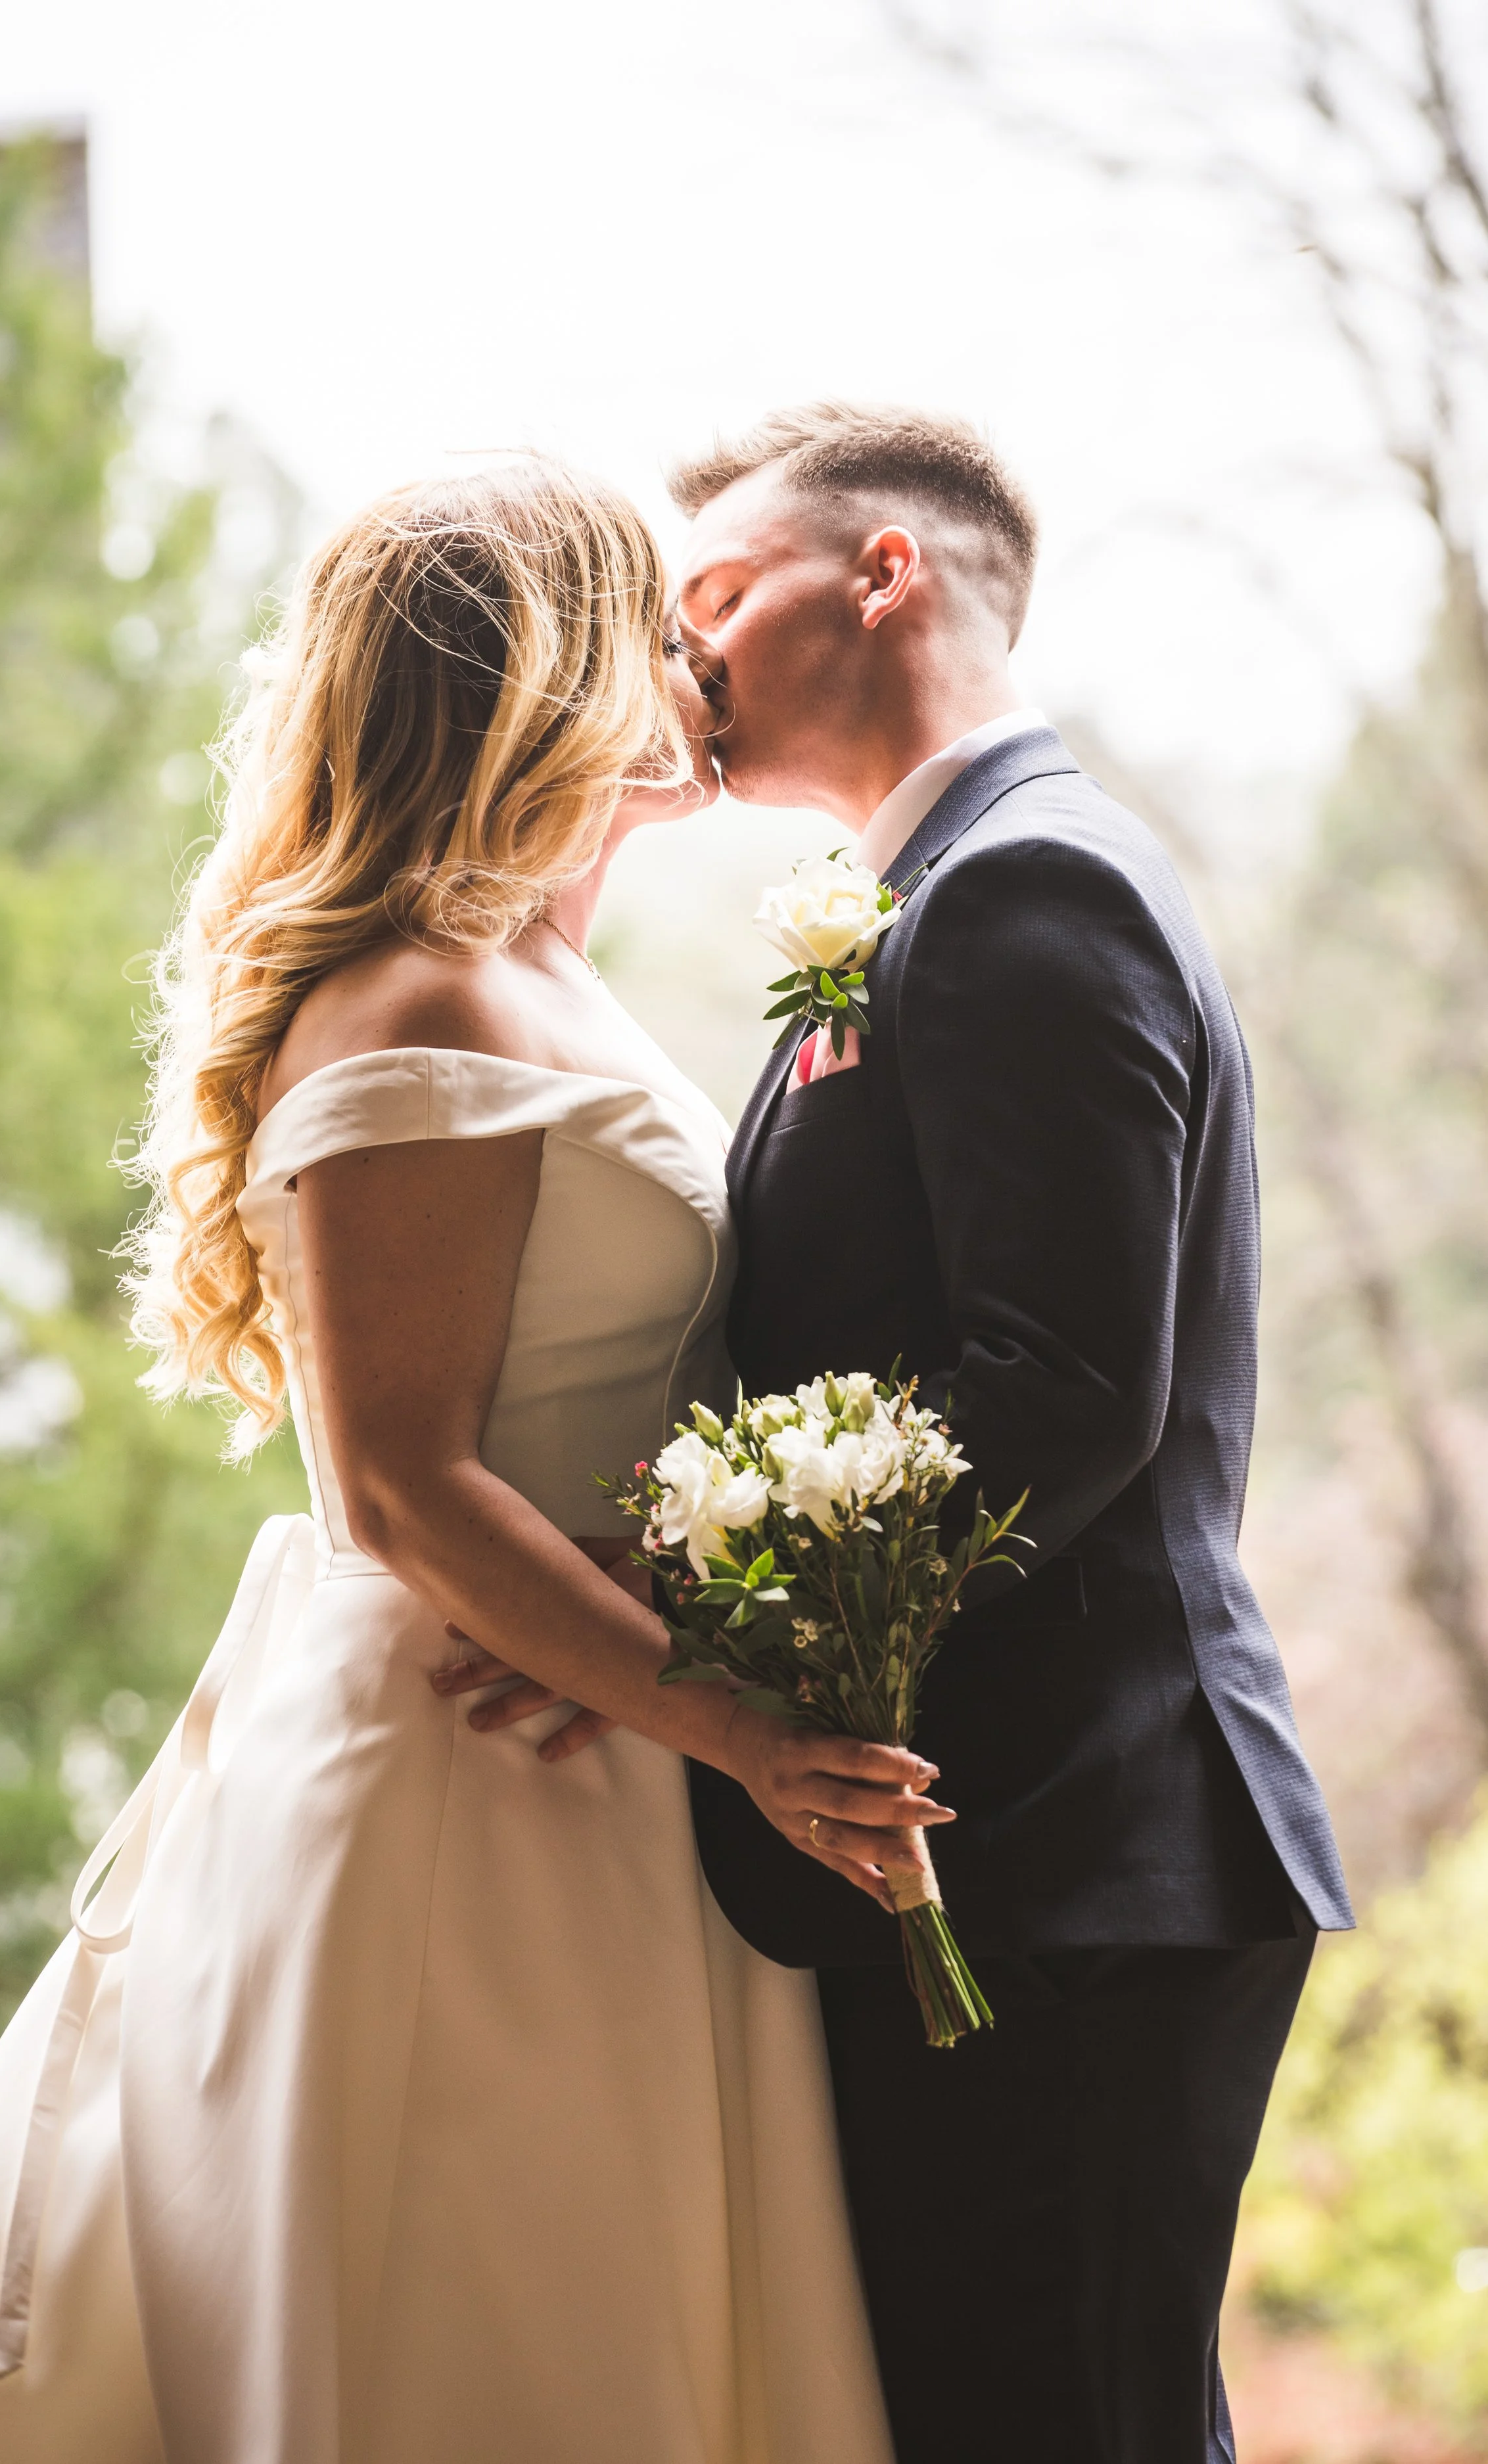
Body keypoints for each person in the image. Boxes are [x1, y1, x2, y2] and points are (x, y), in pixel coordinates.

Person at [0, 461, 912, 2464]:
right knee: (472, 2328)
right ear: (539, 669)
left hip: (587, 1733)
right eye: (637, 622)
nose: (681, 662)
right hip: (474, 1767)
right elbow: (407, 1482)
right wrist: (739, 1728)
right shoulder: (417, 998)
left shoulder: (532, 963)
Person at [660, 401, 1356, 2463]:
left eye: (716, 594)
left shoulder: (1030, 883)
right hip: (1023, 1853)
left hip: (1076, 1851)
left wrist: (698, 1608)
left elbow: (1065, 1386)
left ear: (883, 574)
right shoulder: (934, 892)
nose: (677, 657)